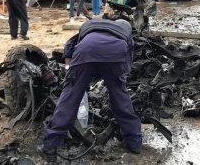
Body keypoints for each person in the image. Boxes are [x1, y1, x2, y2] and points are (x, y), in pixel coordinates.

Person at [38, 19, 142, 163]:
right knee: (121, 98)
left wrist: (71, 72)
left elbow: (69, 45)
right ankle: (134, 142)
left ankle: (50, 146)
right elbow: (128, 60)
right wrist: (118, 81)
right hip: (116, 53)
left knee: (69, 99)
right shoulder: (126, 32)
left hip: (86, 51)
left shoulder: (90, 25)